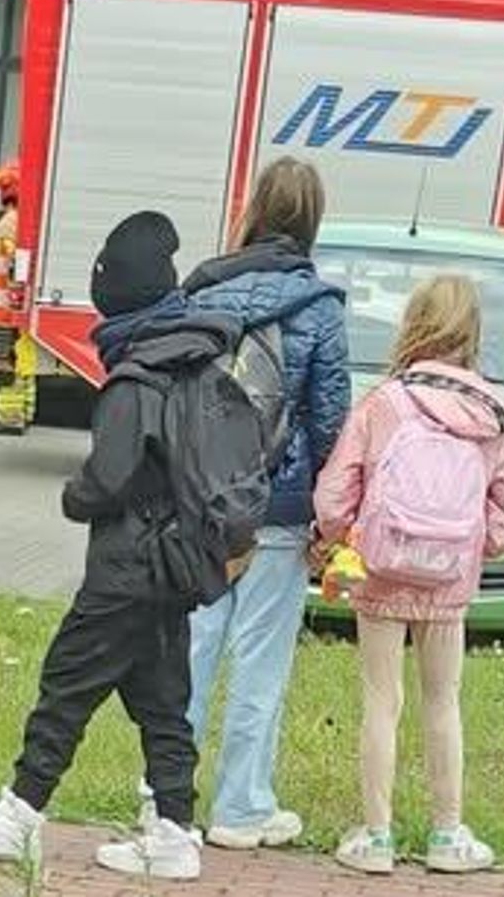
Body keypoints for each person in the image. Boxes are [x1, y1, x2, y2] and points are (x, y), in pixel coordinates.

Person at [0, 211, 240, 882]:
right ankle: (173, 830)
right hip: (177, 563)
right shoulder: (195, 360)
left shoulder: (134, 378)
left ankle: (20, 813)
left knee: (67, 683)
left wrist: (75, 496)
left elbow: (107, 479)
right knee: (163, 699)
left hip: (126, 566)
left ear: (119, 296)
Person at [159, 157, 350, 848]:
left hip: (202, 500)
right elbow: (330, 420)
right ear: (312, 220)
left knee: (191, 650)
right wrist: (330, 513)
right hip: (278, 508)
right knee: (259, 659)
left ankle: (163, 798)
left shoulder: (203, 289)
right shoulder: (321, 309)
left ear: (256, 210)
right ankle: (241, 808)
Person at [314, 276, 504, 876]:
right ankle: (447, 835)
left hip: (381, 569)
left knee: (382, 701)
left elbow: (333, 495)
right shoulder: (495, 414)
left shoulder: (384, 402)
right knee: (443, 700)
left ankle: (375, 838)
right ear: (473, 332)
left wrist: (336, 537)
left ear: (414, 324)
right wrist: (476, 547)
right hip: (449, 578)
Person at [0, 163, 37, 436]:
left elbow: (7, 264)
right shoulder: (27, 218)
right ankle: (23, 412)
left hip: (3, 306)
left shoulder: (9, 222)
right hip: (16, 304)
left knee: (8, 363)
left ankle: (9, 417)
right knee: (25, 360)